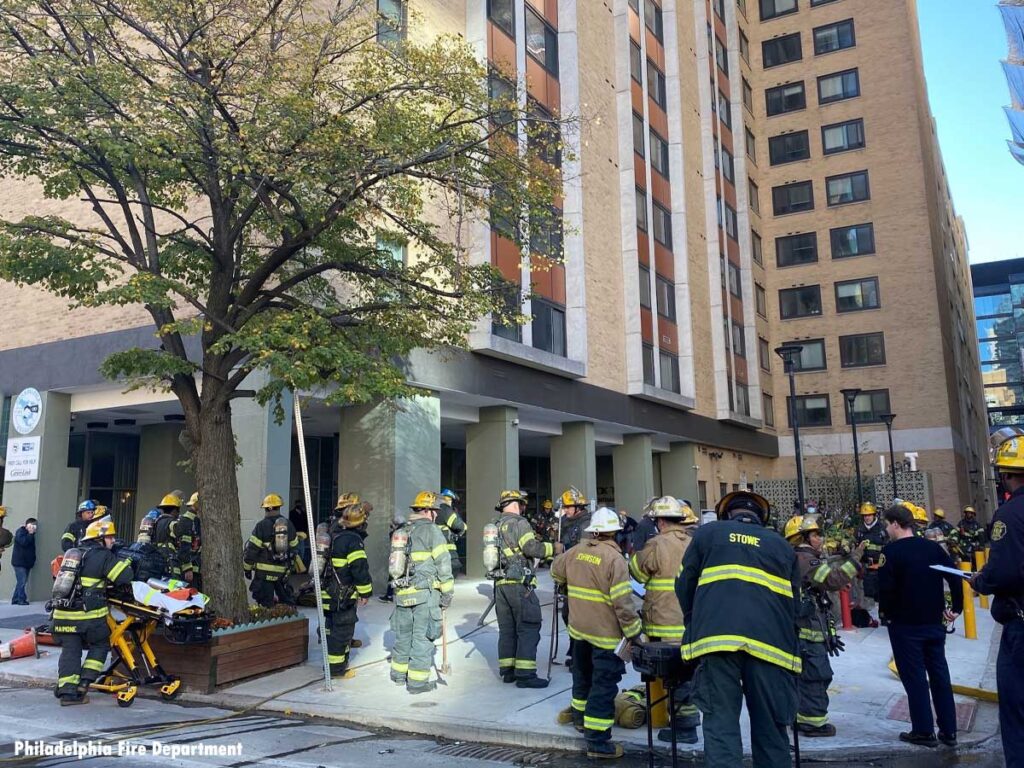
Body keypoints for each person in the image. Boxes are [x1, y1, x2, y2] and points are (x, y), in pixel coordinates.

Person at [676, 490, 800, 768]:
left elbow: (684, 584)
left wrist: (694, 620)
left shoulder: (708, 535)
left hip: (717, 642)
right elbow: (797, 604)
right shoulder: (781, 546)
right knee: (771, 729)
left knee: (720, 724)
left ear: (725, 513)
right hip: (771, 647)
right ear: (760, 517)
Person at [552, 508, 641, 760]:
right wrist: (634, 634)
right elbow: (623, 604)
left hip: (579, 631)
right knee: (603, 687)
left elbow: (556, 572)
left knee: (582, 677)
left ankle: (579, 719)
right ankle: (598, 742)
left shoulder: (575, 552)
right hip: (606, 638)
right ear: (614, 533)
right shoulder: (615, 560)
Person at [878, 503, 963, 748]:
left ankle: (924, 731)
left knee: (914, 678)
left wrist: (888, 614)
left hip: (906, 626)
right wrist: (955, 608)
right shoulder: (933, 549)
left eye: (887, 524)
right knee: (939, 676)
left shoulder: (891, 553)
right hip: (934, 624)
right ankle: (949, 731)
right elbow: (955, 576)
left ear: (895, 524)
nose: (886, 529)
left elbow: (886, 590)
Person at [971, 428, 1024, 767]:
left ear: (1006, 475)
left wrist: (981, 579)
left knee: (1017, 711)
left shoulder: (1009, 514)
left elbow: (1005, 571)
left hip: (1021, 627)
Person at [785, 514, 864, 737]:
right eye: (815, 534)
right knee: (816, 675)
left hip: (806, 630)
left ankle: (801, 717)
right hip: (808, 634)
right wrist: (855, 560)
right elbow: (832, 580)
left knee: (806, 676)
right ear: (802, 538)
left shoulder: (801, 558)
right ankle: (812, 723)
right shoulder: (805, 559)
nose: (820, 538)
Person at [629, 496, 700, 743]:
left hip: (662, 622)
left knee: (674, 678)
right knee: (687, 675)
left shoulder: (656, 544)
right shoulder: (695, 542)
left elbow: (636, 572)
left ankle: (684, 728)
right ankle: (686, 722)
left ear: (660, 521)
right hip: (691, 621)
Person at [51, 516, 133, 705]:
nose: (113, 541)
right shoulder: (103, 555)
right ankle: (84, 683)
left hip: (62, 614)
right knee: (101, 645)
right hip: (88, 616)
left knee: (70, 651)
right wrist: (126, 562)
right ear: (100, 538)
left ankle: (67, 692)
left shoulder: (74, 552)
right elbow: (123, 577)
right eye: (110, 537)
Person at [489, 489, 562, 688]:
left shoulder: (495, 525)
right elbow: (531, 548)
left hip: (500, 585)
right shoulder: (519, 523)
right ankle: (525, 674)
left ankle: (508, 671)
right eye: (521, 504)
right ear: (515, 504)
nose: (523, 507)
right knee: (528, 626)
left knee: (507, 630)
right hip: (520, 586)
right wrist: (552, 548)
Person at [388, 491, 453, 694]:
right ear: (428, 511)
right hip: (425, 594)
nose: (435, 515)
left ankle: (399, 675)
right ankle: (417, 682)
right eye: (434, 511)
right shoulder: (432, 531)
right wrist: (447, 593)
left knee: (403, 635)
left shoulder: (403, 531)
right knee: (422, 638)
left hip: (402, 593)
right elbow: (443, 563)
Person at [322, 496, 374, 678]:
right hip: (342, 595)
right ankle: (336, 670)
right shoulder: (353, 541)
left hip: (328, 592)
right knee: (342, 631)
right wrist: (366, 592)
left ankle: (330, 665)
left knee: (331, 629)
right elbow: (359, 568)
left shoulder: (335, 534)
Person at [243, 493, 299, 608]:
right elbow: (294, 548)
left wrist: (247, 569)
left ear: (267, 508)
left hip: (264, 574)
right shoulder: (289, 525)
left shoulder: (261, 526)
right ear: (279, 507)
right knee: (286, 604)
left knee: (265, 605)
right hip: (282, 573)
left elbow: (252, 550)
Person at [153, 493, 191, 580]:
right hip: (170, 561)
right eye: (178, 511)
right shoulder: (171, 523)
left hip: (159, 559)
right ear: (174, 510)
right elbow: (181, 535)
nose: (178, 513)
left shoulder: (157, 522)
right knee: (174, 585)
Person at [437, 489, 467, 574]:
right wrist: (464, 527)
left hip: (438, 549)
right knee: (454, 569)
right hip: (448, 551)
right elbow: (458, 525)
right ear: (450, 500)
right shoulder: (446, 510)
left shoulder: (436, 510)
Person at [12, 516, 38, 605]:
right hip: (19, 562)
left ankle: (15, 599)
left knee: (21, 582)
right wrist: (30, 534)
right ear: (27, 525)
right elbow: (23, 542)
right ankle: (21, 600)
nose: (34, 527)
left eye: (35, 526)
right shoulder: (21, 532)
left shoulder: (31, 535)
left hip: (26, 563)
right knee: (22, 581)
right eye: (32, 525)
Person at [180, 493, 203, 589]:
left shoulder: (195, 520)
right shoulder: (189, 520)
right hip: (190, 570)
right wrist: (188, 568)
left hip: (195, 568)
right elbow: (184, 546)